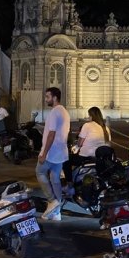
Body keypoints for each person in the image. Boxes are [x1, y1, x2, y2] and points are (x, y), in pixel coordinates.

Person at [36, 87, 70, 221]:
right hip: (61, 152)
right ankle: (57, 212)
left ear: (55, 97)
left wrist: (44, 153)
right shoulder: (64, 112)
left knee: (39, 172)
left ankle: (52, 201)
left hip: (52, 151)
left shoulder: (55, 112)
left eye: (47, 97)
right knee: (55, 178)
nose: (46, 99)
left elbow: (51, 134)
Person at [62, 106, 109, 197]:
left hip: (86, 157)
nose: (88, 118)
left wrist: (78, 145)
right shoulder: (105, 128)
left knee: (66, 160)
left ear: (91, 116)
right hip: (99, 159)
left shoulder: (87, 125)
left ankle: (70, 185)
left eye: (89, 116)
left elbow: (79, 143)